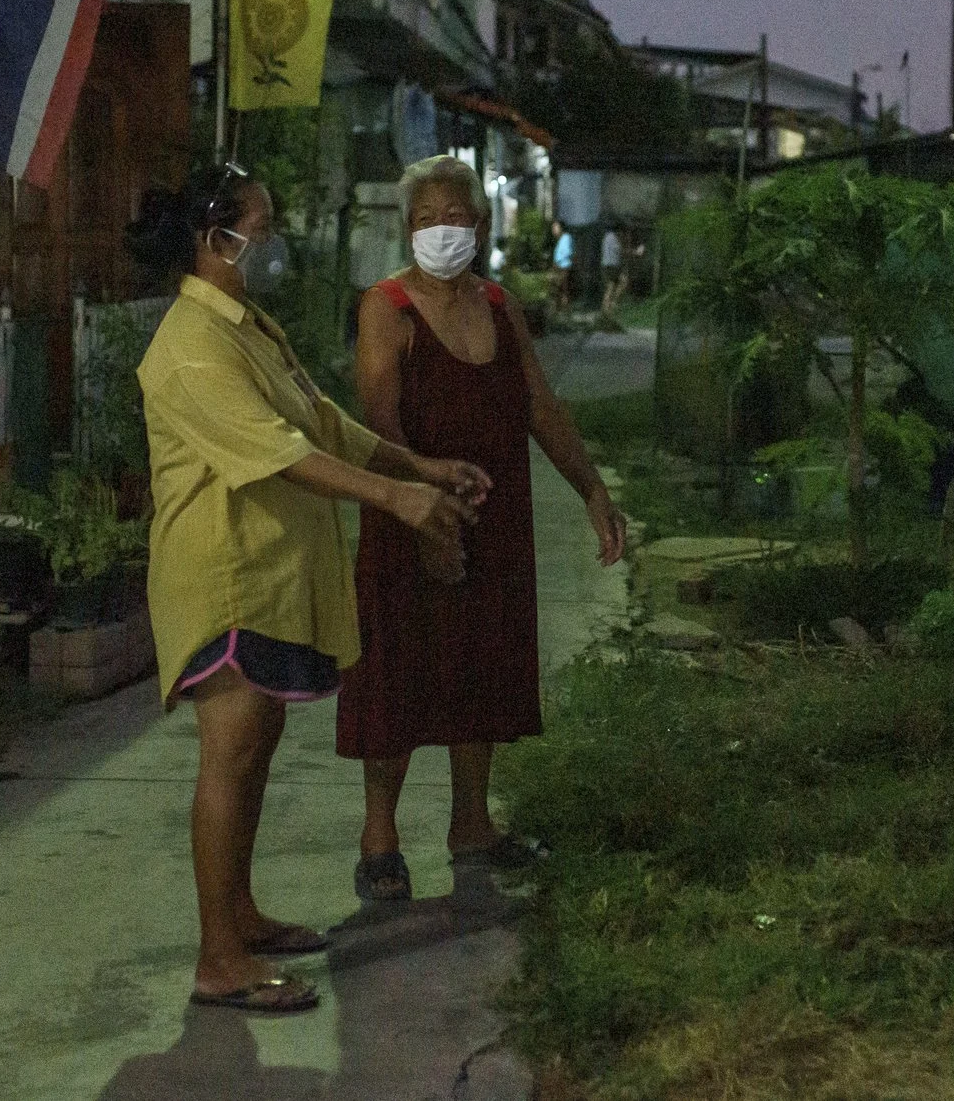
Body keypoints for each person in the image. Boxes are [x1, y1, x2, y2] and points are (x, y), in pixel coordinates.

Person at [129, 165, 491, 1015]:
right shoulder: (189, 345)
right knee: (232, 748)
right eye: (264, 222)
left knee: (254, 745)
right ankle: (219, 957)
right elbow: (277, 450)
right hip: (224, 575)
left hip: (270, 576)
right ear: (217, 236)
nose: (276, 237)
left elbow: (322, 421)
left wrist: (418, 465)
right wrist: (398, 497)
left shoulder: (245, 326)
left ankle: (240, 915)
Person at [337, 156, 628, 898]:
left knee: (480, 665)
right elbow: (381, 425)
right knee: (398, 671)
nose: (444, 230)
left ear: (481, 224)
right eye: (429, 218)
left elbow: (539, 405)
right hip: (409, 514)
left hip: (495, 518)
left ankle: (472, 822)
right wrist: (426, 517)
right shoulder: (387, 306)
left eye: (457, 217)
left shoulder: (498, 304)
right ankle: (379, 839)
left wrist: (591, 488)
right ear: (408, 229)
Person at [599, 226, 626, 318]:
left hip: (610, 265)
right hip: (611, 266)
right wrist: (635, 252)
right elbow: (619, 250)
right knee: (611, 287)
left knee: (617, 284)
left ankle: (609, 307)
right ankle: (608, 309)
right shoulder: (613, 238)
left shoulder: (606, 237)